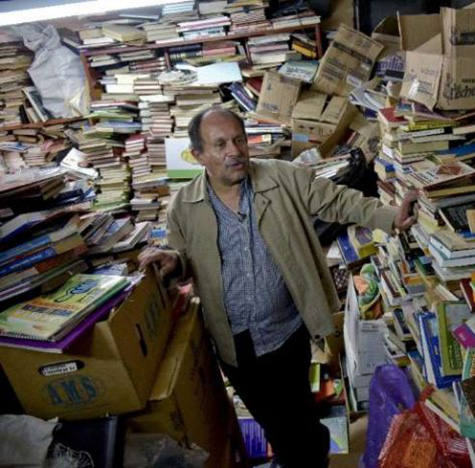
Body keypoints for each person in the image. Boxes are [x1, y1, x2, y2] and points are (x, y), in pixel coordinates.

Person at [138, 107, 417, 468]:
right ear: (198, 155)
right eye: (220, 144)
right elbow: (184, 254)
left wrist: (389, 216)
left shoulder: (283, 178)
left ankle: (308, 457)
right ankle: (300, 453)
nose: (234, 151)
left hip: (287, 332)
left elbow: (336, 200)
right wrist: (174, 261)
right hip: (234, 344)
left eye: (239, 139)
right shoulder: (184, 206)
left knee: (296, 416)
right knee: (272, 420)